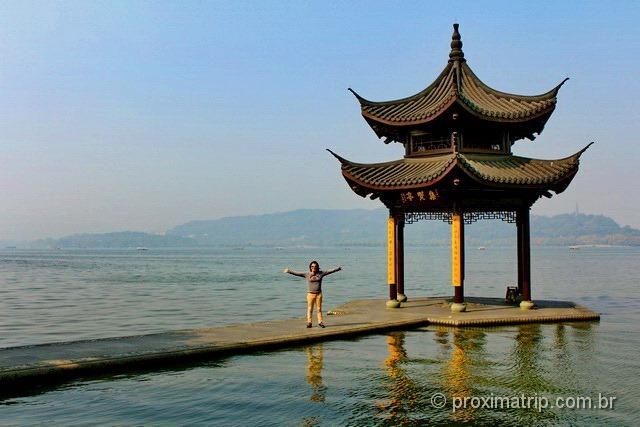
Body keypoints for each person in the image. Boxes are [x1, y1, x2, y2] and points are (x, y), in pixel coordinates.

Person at [283, 261, 342, 328]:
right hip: (310, 294)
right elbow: (297, 273)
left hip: (318, 294)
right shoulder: (306, 274)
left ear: (317, 267)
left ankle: (320, 322)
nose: (314, 267)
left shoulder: (321, 273)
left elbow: (329, 271)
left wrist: (337, 269)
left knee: (319, 309)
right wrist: (289, 271)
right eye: (312, 266)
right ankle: (309, 322)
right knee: (310, 309)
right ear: (310, 267)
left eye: (315, 266)